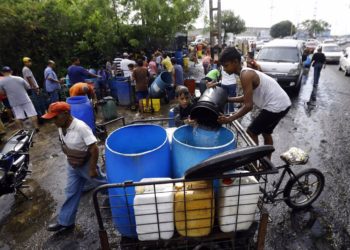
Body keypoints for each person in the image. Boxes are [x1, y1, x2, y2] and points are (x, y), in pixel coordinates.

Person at [42, 102, 106, 232]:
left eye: (55, 117)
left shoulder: (81, 127)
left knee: (103, 185)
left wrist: (92, 168)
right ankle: (66, 222)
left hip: (87, 164)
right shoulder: (61, 126)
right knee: (71, 192)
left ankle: (121, 195)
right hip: (73, 164)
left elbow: (94, 148)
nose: (53, 121)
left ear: (65, 114)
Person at [217, 47, 291, 155]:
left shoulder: (245, 75)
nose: (224, 69)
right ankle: (266, 162)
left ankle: (257, 161)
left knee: (251, 131)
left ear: (236, 62)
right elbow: (246, 97)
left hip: (276, 106)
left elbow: (248, 105)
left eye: (226, 65)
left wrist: (230, 118)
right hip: (283, 103)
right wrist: (228, 100)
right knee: (266, 133)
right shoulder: (245, 73)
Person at [0, 66, 39, 131]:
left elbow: (2, 93)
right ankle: (36, 127)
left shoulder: (1, 82)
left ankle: (22, 129)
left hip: (13, 101)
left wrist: (8, 92)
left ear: (2, 73)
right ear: (11, 71)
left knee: (18, 116)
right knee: (32, 114)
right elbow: (27, 87)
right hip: (25, 99)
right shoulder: (19, 78)